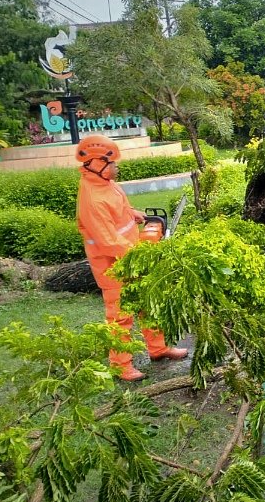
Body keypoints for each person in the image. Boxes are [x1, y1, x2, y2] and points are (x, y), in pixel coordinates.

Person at [75, 135, 188, 381]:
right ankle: (121, 365)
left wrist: (132, 213)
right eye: (112, 162)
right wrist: (144, 254)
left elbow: (119, 207)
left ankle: (158, 348)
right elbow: (108, 242)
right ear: (96, 162)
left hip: (131, 258)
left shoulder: (105, 183)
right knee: (120, 316)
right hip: (113, 266)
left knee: (147, 302)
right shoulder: (92, 199)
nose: (116, 166)